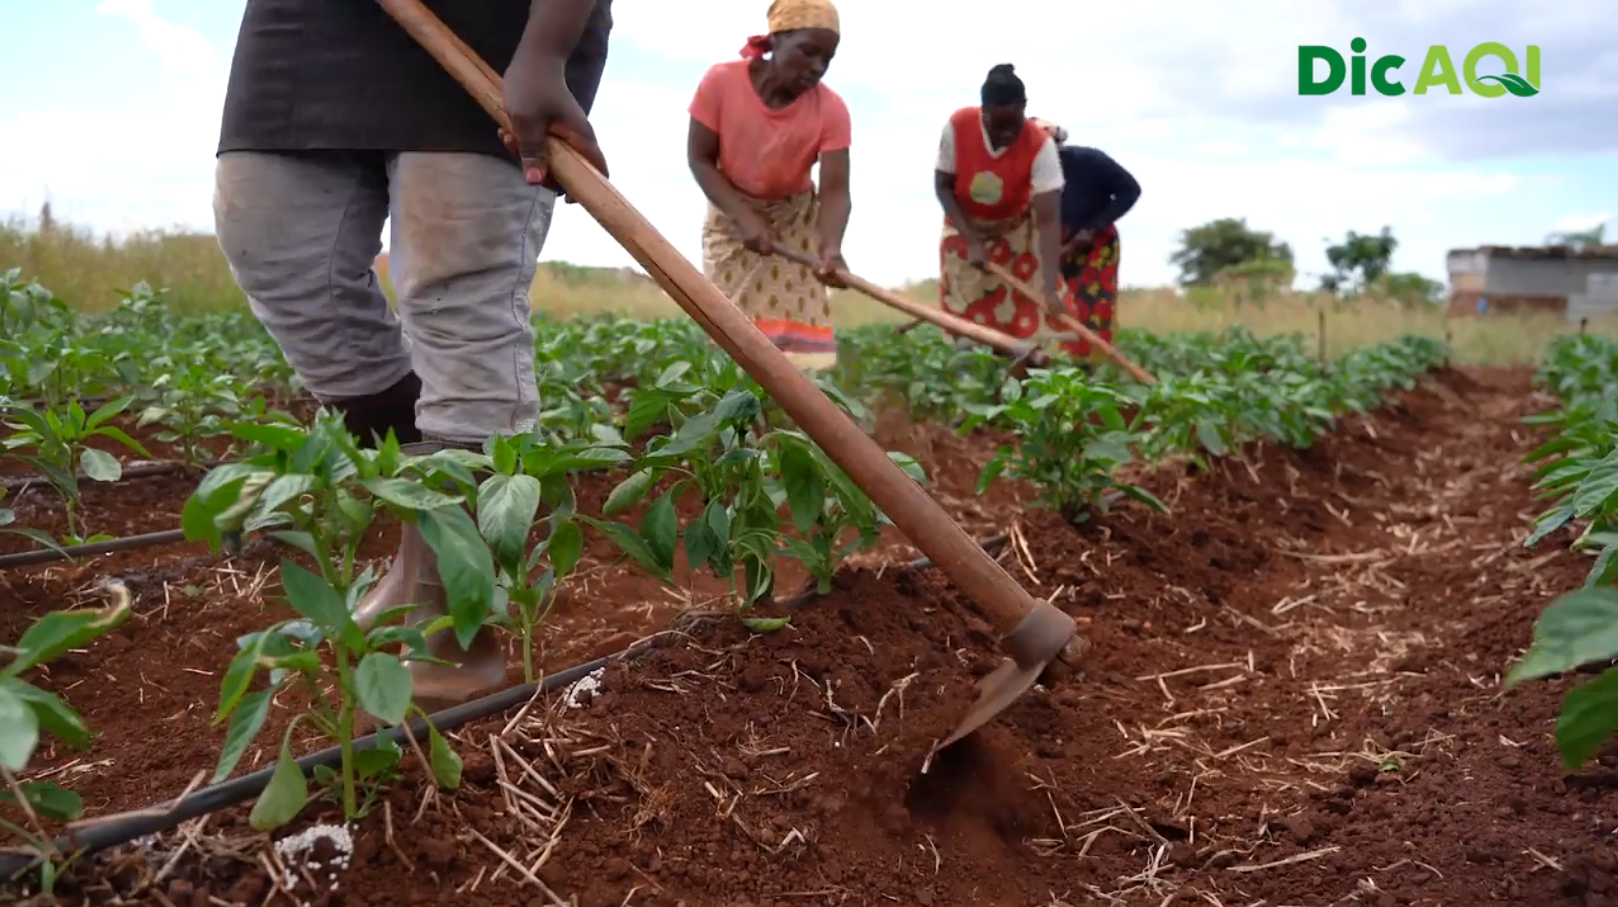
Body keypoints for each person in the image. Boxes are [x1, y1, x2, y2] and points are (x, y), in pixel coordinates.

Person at [212, 0, 613, 712]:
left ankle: (453, 608)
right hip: (313, 24)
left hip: (500, 22)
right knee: (273, 241)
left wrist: (547, 51)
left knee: (454, 284)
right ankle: (422, 550)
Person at [688, 0, 851, 371]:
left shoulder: (831, 109)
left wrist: (830, 248)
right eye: (808, 52)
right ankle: (743, 422)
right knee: (729, 331)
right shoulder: (721, 83)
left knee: (793, 347)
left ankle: (785, 422)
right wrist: (743, 217)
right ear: (777, 38)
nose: (817, 68)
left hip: (793, 221)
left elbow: (835, 191)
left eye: (827, 59)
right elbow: (699, 159)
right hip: (730, 214)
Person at [934, 64, 1074, 357]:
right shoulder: (958, 127)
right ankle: (968, 377)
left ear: (1024, 109)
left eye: (1014, 124)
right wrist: (972, 242)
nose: (1006, 134)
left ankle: (1017, 376)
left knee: (1023, 310)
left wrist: (1048, 288)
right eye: (998, 125)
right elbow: (943, 186)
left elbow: (1048, 221)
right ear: (983, 111)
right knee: (965, 313)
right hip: (963, 226)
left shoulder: (1040, 144)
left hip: (1014, 231)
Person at [1033, 119, 1141, 365]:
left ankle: (1091, 370)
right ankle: (1057, 367)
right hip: (1054, 248)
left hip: (1096, 247)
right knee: (1051, 307)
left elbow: (1130, 191)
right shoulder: (1027, 173)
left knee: (1091, 310)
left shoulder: (1090, 162)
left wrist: (1091, 230)